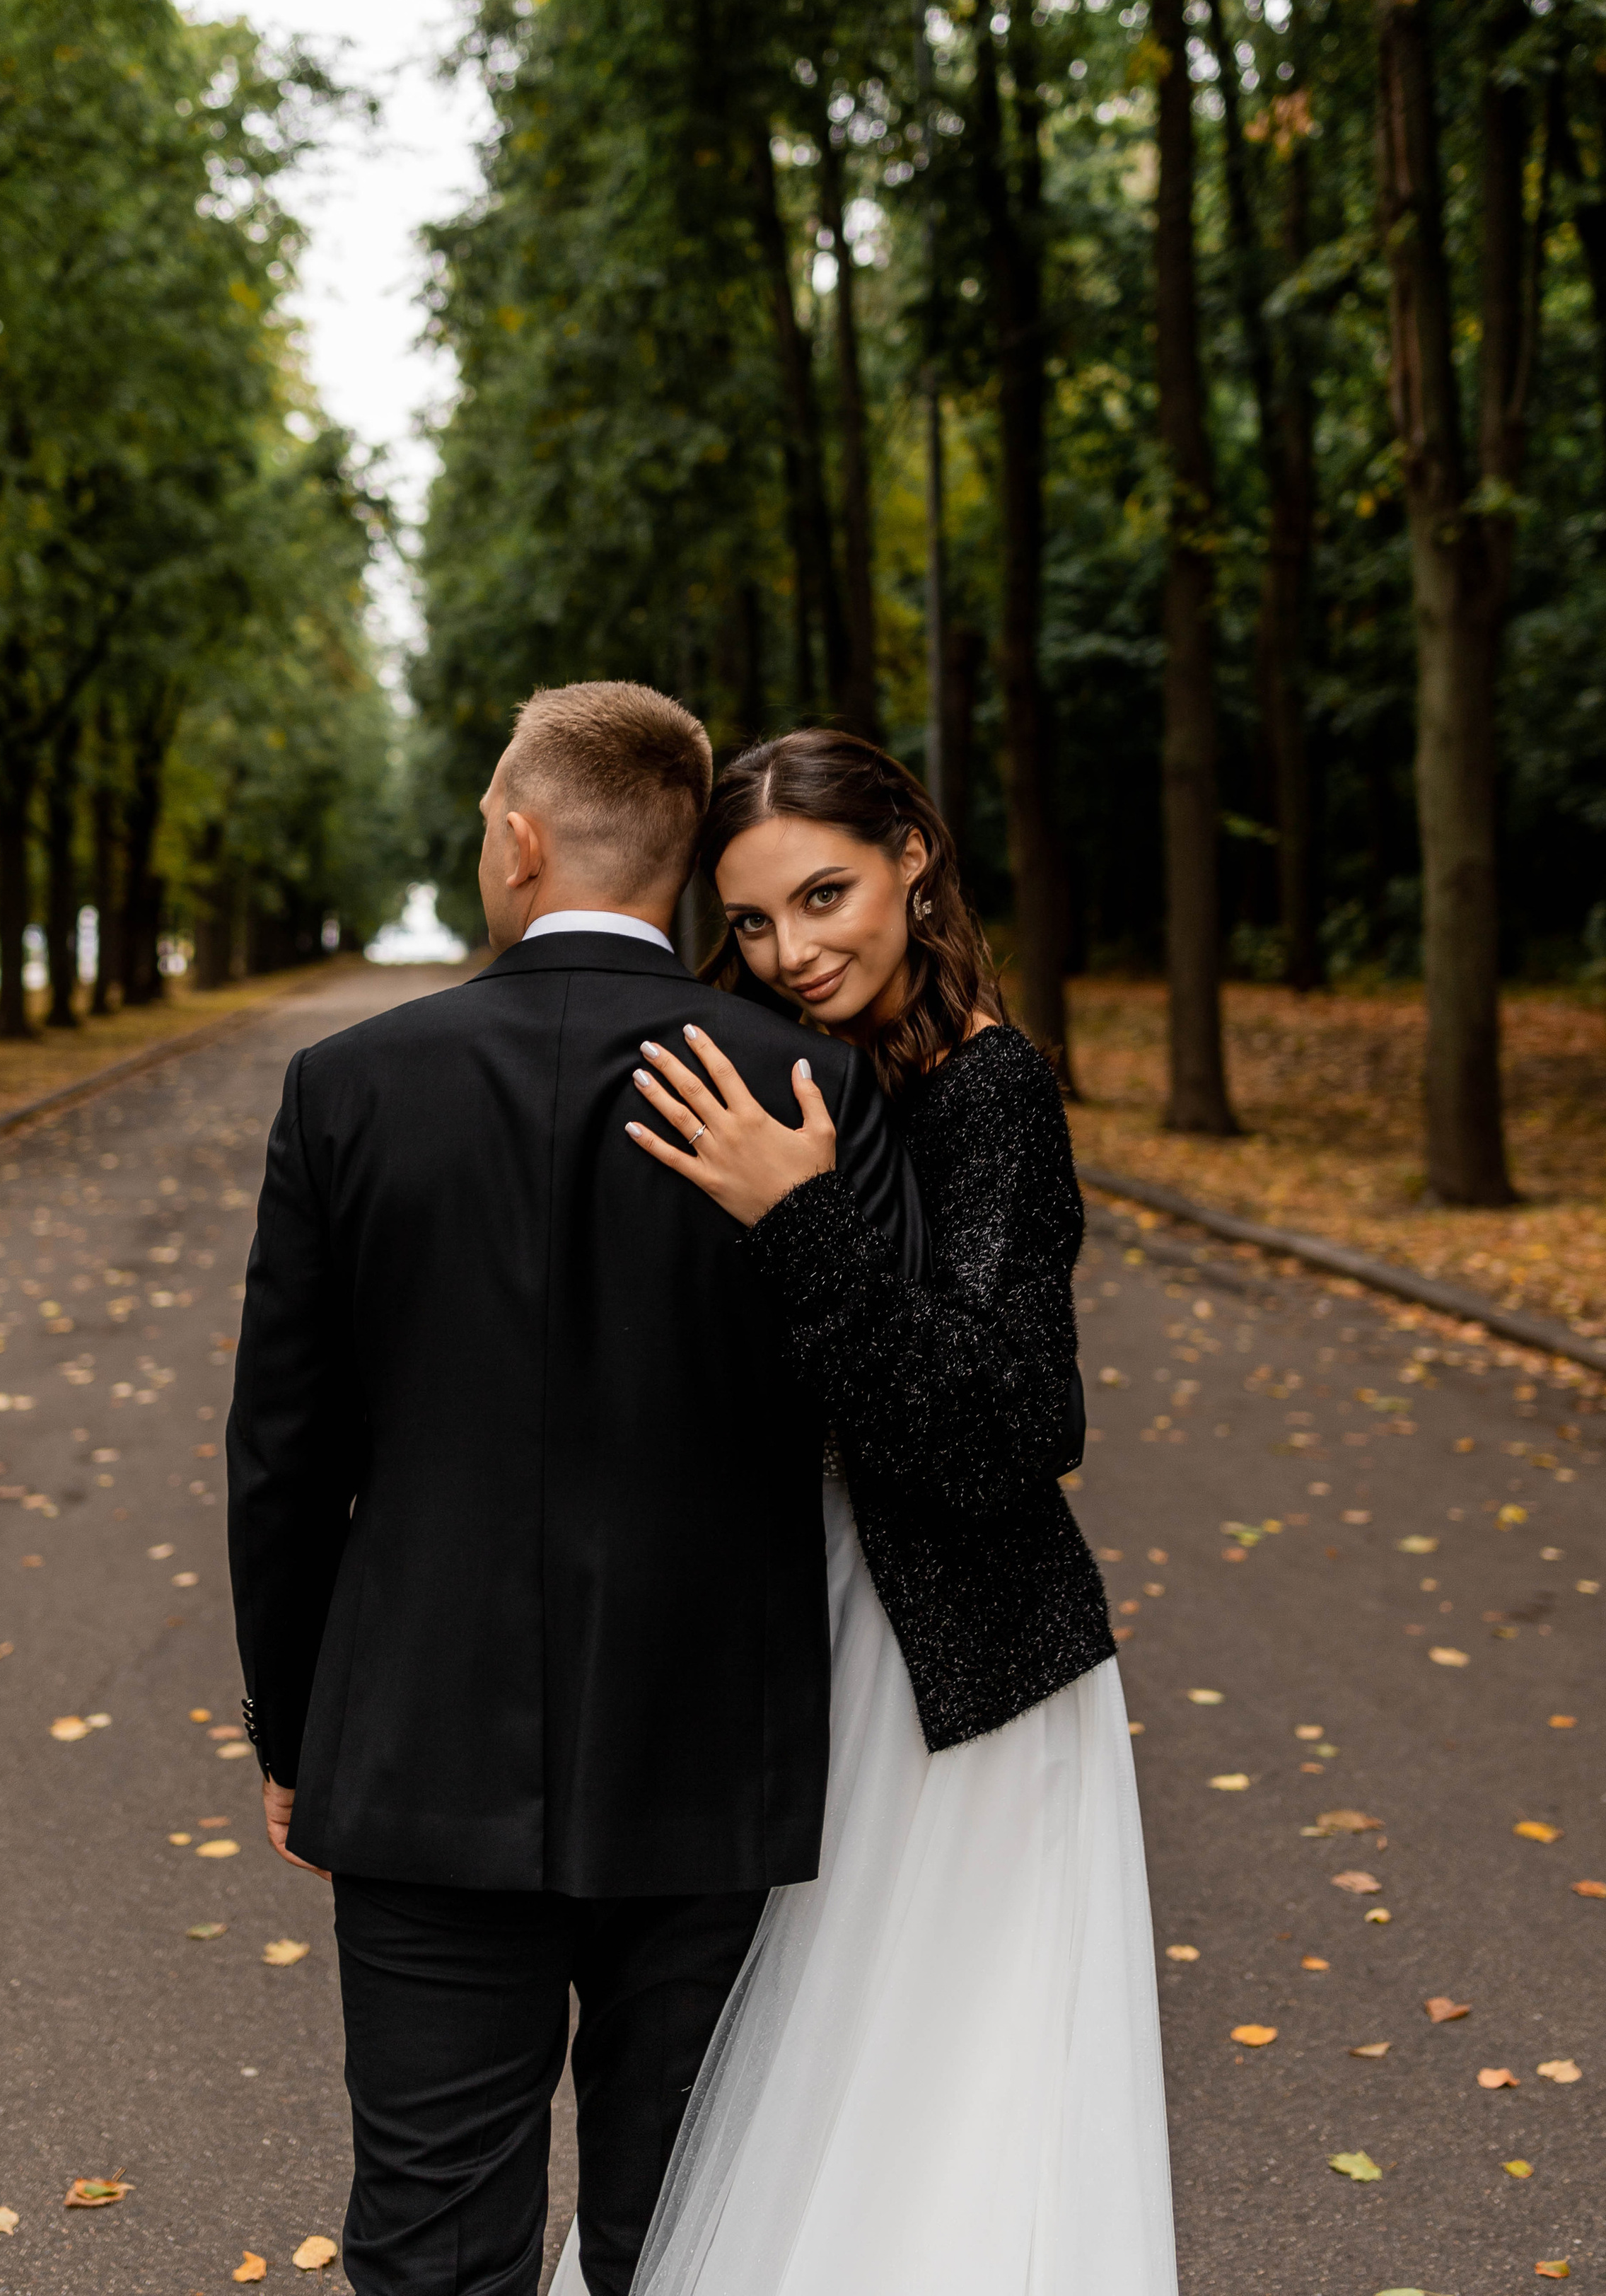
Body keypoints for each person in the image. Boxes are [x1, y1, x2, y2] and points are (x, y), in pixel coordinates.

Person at [226, 682, 926, 2296]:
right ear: (685, 866)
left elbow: (282, 1455)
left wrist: (292, 1729)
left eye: (485, 826)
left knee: (428, 2229)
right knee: (682, 2233)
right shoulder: (803, 1085)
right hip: (712, 1747)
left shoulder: (350, 1087)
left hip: (416, 1748)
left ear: (521, 841)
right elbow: (885, 1409)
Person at [576, 726, 1176, 2296]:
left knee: (937, 2082)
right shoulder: (777, 1056)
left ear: (914, 854)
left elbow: (1009, 1426)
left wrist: (801, 1222)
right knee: (790, 2058)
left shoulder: (988, 1093)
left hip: (963, 1668)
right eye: (758, 919)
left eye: (825, 894)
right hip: (811, 1625)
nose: (793, 951)